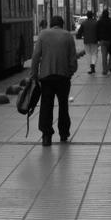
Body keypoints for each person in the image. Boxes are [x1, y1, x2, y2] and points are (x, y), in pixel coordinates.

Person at [30, 15, 78, 146]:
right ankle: (63, 133)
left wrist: (34, 74)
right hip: (63, 77)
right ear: (62, 24)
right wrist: (70, 71)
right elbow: (73, 58)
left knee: (46, 105)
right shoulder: (68, 36)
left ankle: (46, 135)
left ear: (51, 24)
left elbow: (35, 56)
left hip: (46, 77)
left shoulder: (43, 34)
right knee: (63, 105)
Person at [96, 9, 111, 75]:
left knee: (104, 56)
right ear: (108, 14)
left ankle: (105, 70)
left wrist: (98, 39)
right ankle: (110, 67)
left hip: (103, 41)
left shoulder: (99, 22)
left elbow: (96, 31)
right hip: (110, 41)